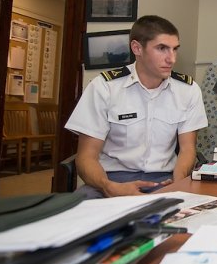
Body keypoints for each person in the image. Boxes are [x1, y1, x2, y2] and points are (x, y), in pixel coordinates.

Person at [65, 15, 207, 198]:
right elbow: (86, 157)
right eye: (162, 48)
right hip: (110, 179)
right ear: (137, 48)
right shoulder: (105, 87)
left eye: (175, 49)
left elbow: (188, 149)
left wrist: (177, 185)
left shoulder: (188, 90)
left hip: (164, 179)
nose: (171, 59)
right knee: (81, 217)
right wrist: (109, 187)